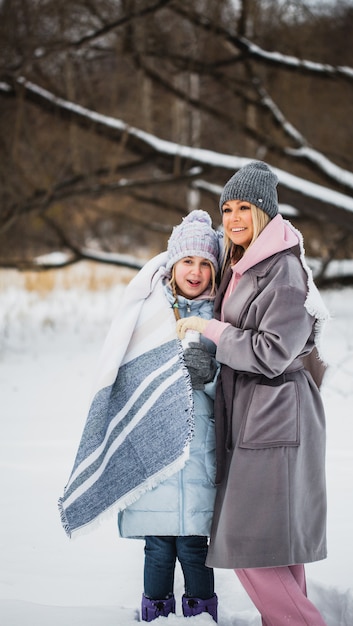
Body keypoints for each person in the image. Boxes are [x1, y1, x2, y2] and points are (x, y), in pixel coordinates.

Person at [176, 161, 330, 626]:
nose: (234, 217)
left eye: (245, 207)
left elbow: (272, 352)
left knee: (247, 542)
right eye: (227, 208)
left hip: (276, 411)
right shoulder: (245, 262)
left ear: (265, 211)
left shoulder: (282, 268)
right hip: (258, 413)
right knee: (276, 544)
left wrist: (213, 330)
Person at [59, 210, 220, 622]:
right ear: (172, 265)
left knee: (195, 545)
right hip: (154, 448)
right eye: (188, 261)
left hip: (200, 452)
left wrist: (212, 373)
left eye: (205, 263)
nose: (196, 271)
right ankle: (156, 613)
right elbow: (125, 371)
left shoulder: (220, 318)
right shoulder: (150, 314)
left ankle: (202, 614)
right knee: (158, 545)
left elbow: (234, 387)